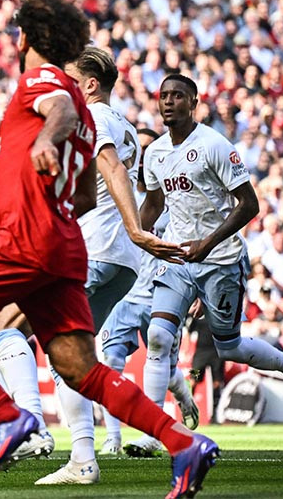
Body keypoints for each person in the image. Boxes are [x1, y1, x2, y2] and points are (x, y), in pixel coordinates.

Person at [0, 0, 218, 498]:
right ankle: (183, 443)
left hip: (26, 239)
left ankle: (9, 416)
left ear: (26, 38)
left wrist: (44, 141)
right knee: (80, 369)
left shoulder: (44, 83)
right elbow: (82, 193)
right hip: (65, 244)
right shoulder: (86, 110)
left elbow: (58, 114)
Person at [25, 47, 187, 485]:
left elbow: (111, 169)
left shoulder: (93, 117)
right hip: (122, 262)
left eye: (71, 80)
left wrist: (134, 228)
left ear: (91, 84)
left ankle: (52, 440)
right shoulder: (126, 125)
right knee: (74, 357)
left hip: (93, 249)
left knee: (28, 334)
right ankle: (162, 435)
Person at [131, 73, 283, 456]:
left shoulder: (214, 145)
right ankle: (151, 432)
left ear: (194, 102)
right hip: (179, 257)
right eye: (164, 95)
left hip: (221, 259)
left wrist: (208, 243)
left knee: (228, 347)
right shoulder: (156, 153)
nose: (168, 101)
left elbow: (249, 204)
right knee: (159, 336)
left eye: (177, 95)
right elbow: (154, 204)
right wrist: (133, 235)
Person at [96, 128, 198, 458]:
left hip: (160, 293)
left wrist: (195, 287)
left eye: (146, 150)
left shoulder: (172, 200)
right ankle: (112, 438)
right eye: (136, 150)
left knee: (164, 368)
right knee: (110, 362)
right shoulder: (112, 193)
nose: (139, 159)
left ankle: (180, 393)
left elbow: (189, 245)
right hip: (122, 295)